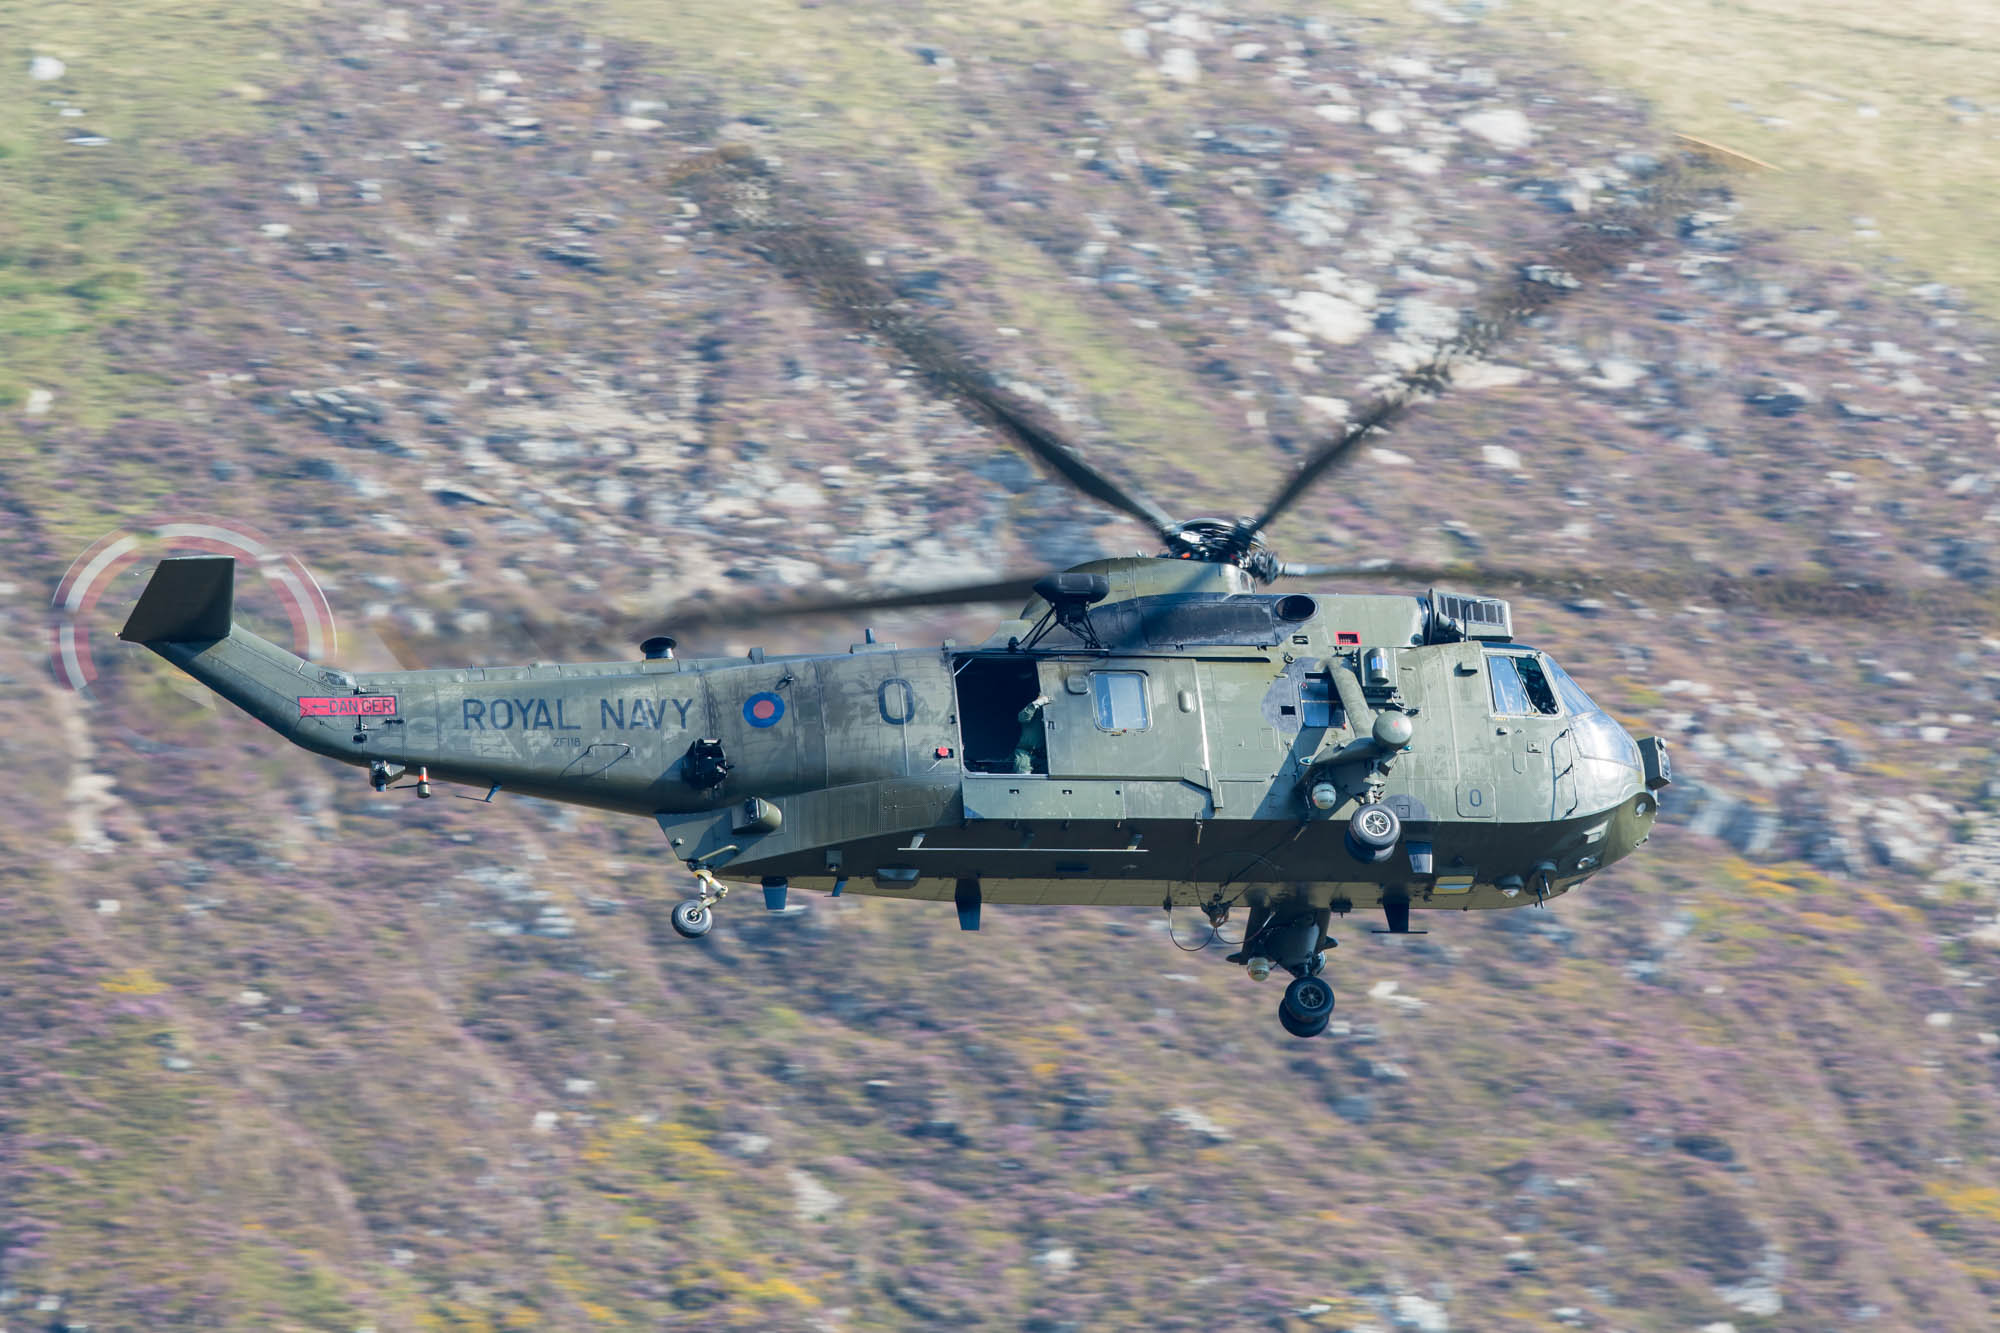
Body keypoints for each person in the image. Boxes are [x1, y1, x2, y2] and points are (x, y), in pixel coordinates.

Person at [1012, 693, 1052, 774]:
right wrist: (1037, 703)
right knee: (1023, 773)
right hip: (1026, 752)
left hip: (1044, 756)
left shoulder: (1051, 712)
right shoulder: (1033, 710)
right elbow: (1023, 717)